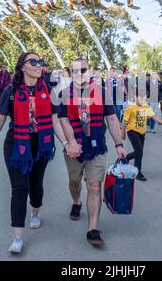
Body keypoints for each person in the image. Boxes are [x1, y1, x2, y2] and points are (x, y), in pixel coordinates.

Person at [0, 52, 81, 254]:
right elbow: (0, 120)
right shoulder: (10, 91)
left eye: (40, 62)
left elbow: (55, 120)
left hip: (40, 145)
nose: (39, 65)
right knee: (19, 190)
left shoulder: (49, 91)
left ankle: (35, 212)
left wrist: (65, 142)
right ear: (22, 67)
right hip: (16, 144)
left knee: (35, 185)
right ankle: (17, 237)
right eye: (33, 62)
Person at [58, 58, 126, 246]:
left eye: (83, 69)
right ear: (71, 73)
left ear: (90, 71)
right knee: (74, 181)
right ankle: (77, 201)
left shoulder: (102, 93)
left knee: (95, 185)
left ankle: (93, 229)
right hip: (74, 148)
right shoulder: (64, 94)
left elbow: (112, 120)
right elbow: (63, 121)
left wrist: (118, 144)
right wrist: (71, 143)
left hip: (97, 146)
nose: (79, 73)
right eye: (75, 70)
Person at [122, 88, 162, 181]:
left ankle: (127, 158)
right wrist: (122, 133)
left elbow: (154, 116)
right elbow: (125, 121)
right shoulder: (131, 107)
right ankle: (137, 172)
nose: (143, 100)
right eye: (141, 98)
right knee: (139, 151)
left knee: (139, 151)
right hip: (132, 131)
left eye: (144, 98)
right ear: (135, 97)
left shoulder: (146, 107)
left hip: (142, 132)